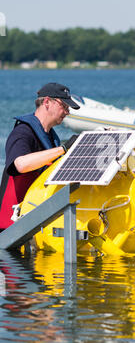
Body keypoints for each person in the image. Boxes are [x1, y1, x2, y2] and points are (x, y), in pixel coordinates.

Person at [0, 82, 80, 231]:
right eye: (64, 106)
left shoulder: (50, 137)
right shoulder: (22, 132)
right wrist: (63, 149)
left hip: (33, 221)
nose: (67, 112)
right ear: (47, 102)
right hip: (10, 229)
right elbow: (21, 164)